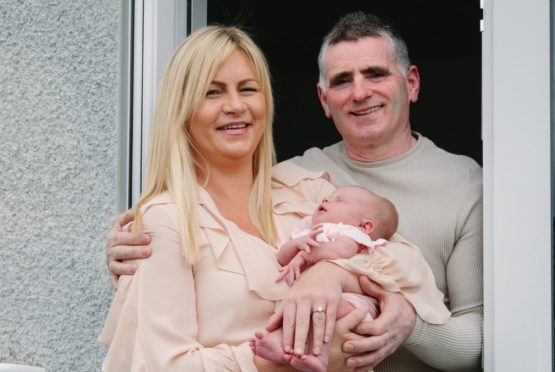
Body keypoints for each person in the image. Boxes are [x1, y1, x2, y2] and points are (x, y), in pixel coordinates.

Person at [105, 11, 483, 371]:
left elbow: (395, 254)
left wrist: (334, 275)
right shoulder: (301, 174)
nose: (360, 92)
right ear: (323, 99)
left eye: (248, 89)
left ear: (411, 83)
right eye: (213, 92)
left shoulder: (305, 188)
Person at [250, 185, 450, 372]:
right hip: (314, 296)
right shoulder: (310, 230)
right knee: (296, 313)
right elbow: (282, 257)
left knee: (327, 311)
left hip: (354, 302)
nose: (327, 199)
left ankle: (319, 356)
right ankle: (279, 347)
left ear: (365, 225)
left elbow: (341, 251)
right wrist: (297, 244)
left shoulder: (350, 234)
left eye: (340, 200)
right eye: (329, 197)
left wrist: (306, 255)